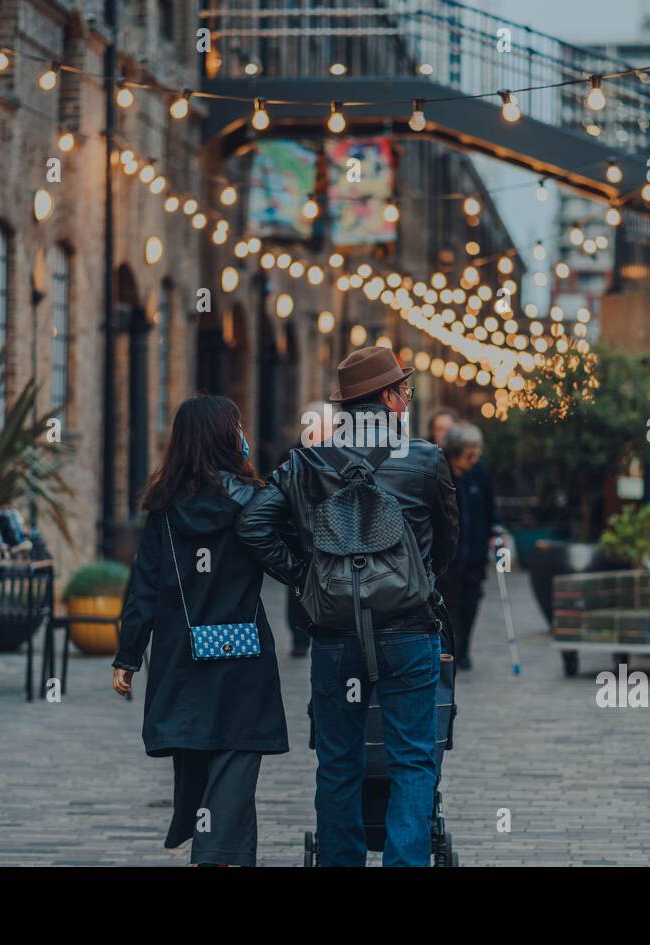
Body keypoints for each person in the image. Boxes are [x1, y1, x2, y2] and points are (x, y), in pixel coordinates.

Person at [236, 345, 459, 866]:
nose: (407, 398)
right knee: (412, 762)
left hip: (335, 633)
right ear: (385, 397)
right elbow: (450, 540)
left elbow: (252, 526)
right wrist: (419, 578)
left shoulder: (306, 462)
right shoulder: (424, 458)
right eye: (403, 390)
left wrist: (306, 577)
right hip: (408, 629)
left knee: (338, 763)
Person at [112, 395, 288, 867]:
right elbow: (289, 562)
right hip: (242, 654)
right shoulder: (255, 501)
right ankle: (216, 856)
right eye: (238, 427)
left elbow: (144, 585)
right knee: (236, 759)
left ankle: (210, 847)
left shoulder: (165, 507)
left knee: (198, 753)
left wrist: (128, 655)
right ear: (226, 438)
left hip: (184, 657)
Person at [438, 422, 497, 671]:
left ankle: (463, 651)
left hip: (473, 554)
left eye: (476, 454)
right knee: (447, 608)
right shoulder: (439, 474)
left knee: (470, 604)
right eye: (469, 455)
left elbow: (489, 506)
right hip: (447, 559)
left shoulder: (479, 473)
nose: (474, 459)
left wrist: (495, 531)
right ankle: (447, 654)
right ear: (455, 453)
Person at [284, 401, 333, 659]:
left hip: (331, 538)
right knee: (299, 590)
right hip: (300, 539)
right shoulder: (292, 457)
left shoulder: (339, 456)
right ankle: (299, 637)